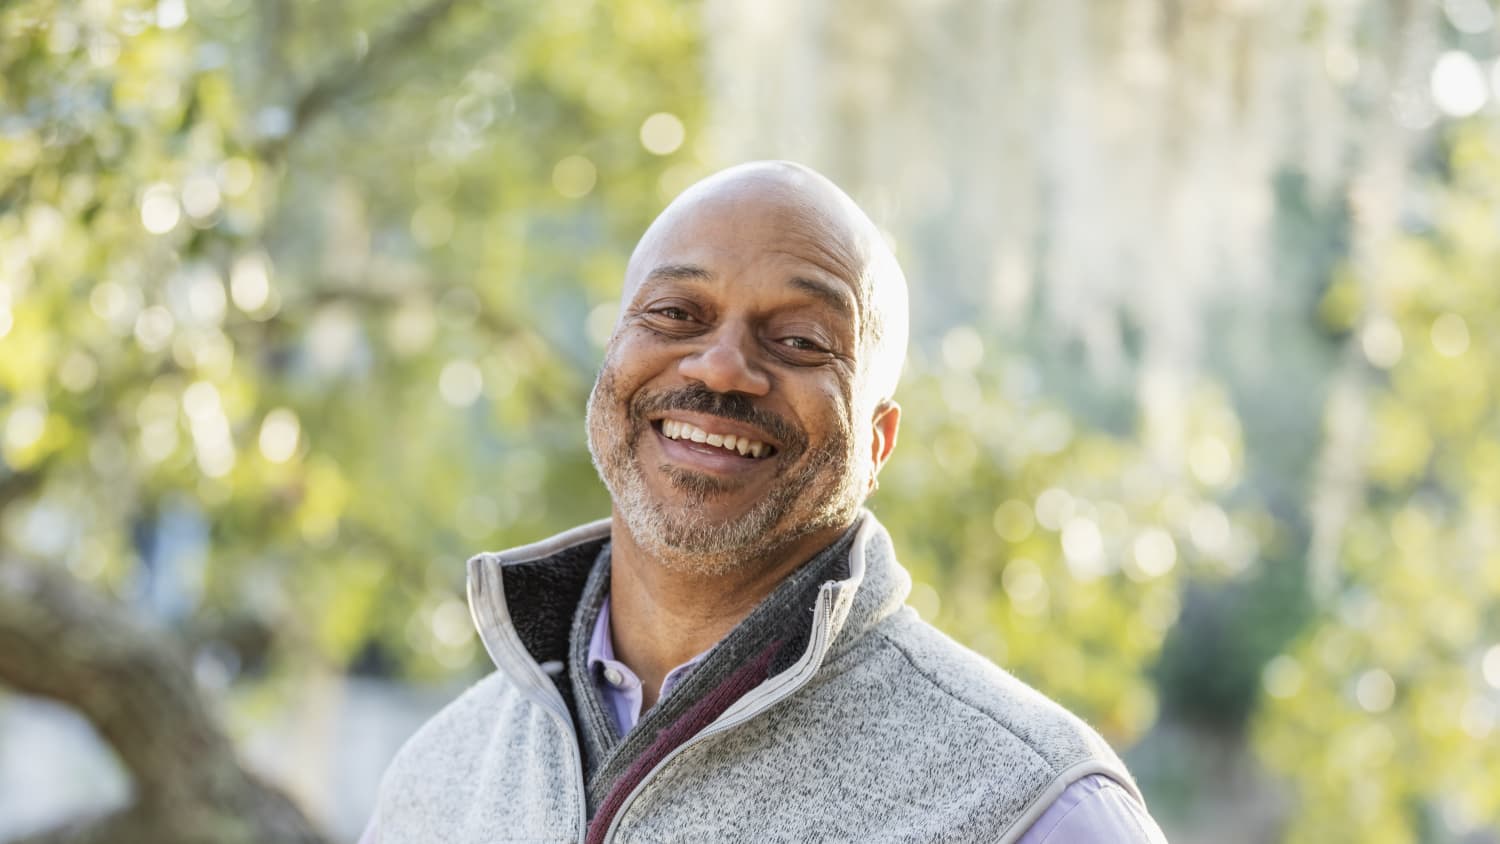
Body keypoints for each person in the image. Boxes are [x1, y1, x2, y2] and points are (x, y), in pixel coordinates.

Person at [362, 162, 1167, 843]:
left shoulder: (1033, 806)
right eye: (676, 314)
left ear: (878, 443)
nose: (719, 368)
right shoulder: (440, 776)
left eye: (800, 341)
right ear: (612, 358)